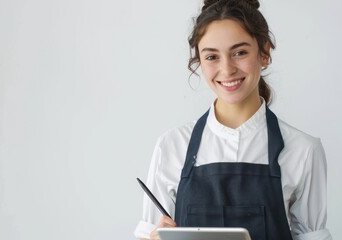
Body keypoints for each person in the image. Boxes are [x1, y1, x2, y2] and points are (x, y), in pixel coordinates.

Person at [134, 0, 332, 239]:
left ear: (265, 52)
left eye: (239, 52)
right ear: (199, 61)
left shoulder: (303, 150)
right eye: (212, 57)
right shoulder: (171, 146)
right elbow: (148, 235)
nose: (227, 70)